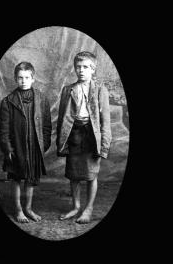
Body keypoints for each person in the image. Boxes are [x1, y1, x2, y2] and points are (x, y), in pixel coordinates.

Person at [56, 51, 111, 224]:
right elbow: (62, 118)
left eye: (85, 67)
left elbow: (106, 121)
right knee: (73, 174)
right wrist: (61, 142)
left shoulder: (100, 90)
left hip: (91, 136)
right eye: (78, 67)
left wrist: (103, 146)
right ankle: (76, 206)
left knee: (90, 175)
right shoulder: (68, 89)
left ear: (93, 69)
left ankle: (89, 208)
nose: (81, 70)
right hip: (74, 134)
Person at [0, 62, 52, 223]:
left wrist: (44, 144)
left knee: (31, 178)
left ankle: (28, 208)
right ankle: (18, 209)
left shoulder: (42, 99)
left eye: (27, 77)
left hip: (34, 146)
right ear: (15, 79)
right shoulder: (8, 101)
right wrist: (8, 148)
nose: (23, 81)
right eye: (20, 78)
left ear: (33, 78)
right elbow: (4, 130)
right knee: (16, 178)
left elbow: (47, 125)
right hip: (17, 148)